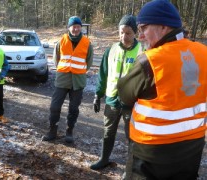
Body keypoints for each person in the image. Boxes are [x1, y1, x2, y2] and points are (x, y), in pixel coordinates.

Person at [117, 0, 207, 179]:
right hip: (192, 150)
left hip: (150, 155)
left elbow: (125, 94)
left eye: (143, 28)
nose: (140, 36)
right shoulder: (203, 53)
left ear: (164, 27)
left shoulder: (150, 60)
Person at [90, 15, 142, 170]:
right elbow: (103, 75)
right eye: (121, 32)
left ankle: (131, 167)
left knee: (132, 136)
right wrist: (97, 95)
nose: (123, 36)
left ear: (135, 33)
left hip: (131, 103)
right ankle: (104, 159)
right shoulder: (111, 50)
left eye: (128, 33)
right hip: (112, 100)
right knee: (108, 132)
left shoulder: (142, 52)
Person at [42, 16, 93, 143]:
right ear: (69, 27)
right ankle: (52, 131)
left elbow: (89, 61)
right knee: (55, 106)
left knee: (74, 108)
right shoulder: (61, 41)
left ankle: (69, 131)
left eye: (78, 26)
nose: (75, 29)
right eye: (73, 26)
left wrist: (79, 71)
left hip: (78, 81)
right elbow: (56, 59)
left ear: (81, 27)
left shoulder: (87, 43)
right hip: (62, 79)